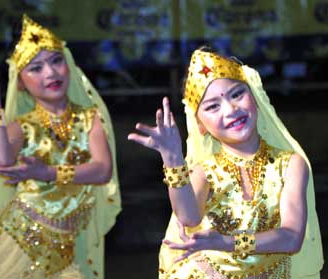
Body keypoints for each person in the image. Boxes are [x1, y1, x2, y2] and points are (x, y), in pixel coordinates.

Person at [0, 14, 121, 279]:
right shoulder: (24, 126)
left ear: (68, 64)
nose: (50, 72)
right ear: (21, 82)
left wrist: (49, 173)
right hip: (19, 245)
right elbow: (3, 159)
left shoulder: (89, 118)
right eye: (36, 68)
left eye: (55, 61)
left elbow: (102, 170)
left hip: (65, 250)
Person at [128, 48, 323, 278]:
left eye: (237, 94)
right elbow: (189, 217)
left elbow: (291, 238)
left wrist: (226, 242)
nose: (231, 110)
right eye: (212, 107)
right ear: (200, 125)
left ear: (255, 97)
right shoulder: (205, 171)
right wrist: (172, 159)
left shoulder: (290, 164)